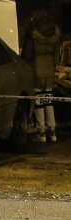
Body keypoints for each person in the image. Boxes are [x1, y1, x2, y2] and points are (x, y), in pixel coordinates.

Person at [22, 7, 63, 142]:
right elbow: (57, 53)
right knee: (48, 99)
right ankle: (52, 131)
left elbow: (27, 53)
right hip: (49, 67)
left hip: (37, 67)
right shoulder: (54, 32)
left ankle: (41, 132)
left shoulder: (32, 32)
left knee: (39, 100)